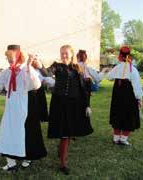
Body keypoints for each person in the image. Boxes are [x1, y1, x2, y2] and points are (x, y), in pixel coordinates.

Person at [0, 45, 46, 171]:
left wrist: (28, 66)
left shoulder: (25, 68)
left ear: (18, 55)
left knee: (27, 131)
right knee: (8, 130)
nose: (9, 59)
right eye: (7, 57)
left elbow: (35, 84)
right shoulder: (8, 71)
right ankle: (11, 162)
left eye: (11, 56)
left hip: (26, 103)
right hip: (11, 106)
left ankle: (28, 157)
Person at [46, 45, 93, 175]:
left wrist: (87, 105)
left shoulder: (78, 68)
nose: (63, 55)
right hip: (59, 104)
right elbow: (47, 72)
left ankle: (62, 157)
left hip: (74, 105)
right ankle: (63, 162)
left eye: (66, 53)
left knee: (67, 133)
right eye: (61, 53)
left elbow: (84, 88)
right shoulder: (57, 66)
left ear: (71, 54)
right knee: (64, 134)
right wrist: (39, 66)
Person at [107, 46, 143, 146]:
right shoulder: (133, 70)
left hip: (118, 96)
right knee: (129, 115)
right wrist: (139, 98)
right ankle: (123, 139)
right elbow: (137, 85)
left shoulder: (117, 67)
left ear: (120, 56)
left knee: (117, 113)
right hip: (129, 97)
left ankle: (116, 138)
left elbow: (109, 77)